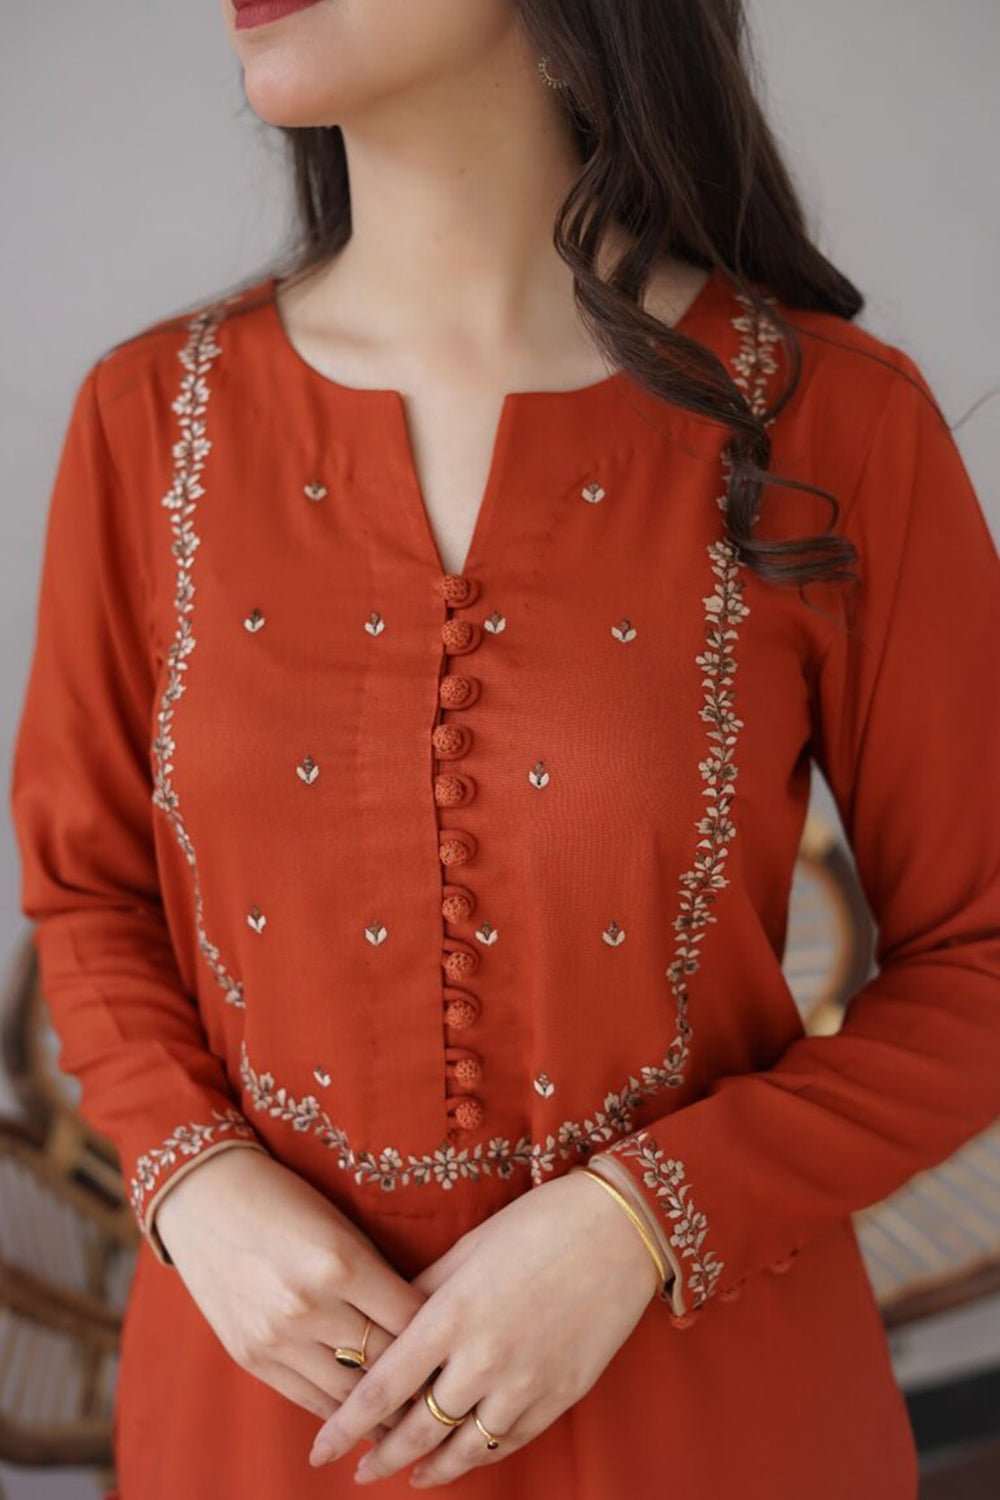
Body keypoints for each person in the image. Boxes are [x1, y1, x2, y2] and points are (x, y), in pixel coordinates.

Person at [9, 1, 1000, 1496]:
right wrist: (193, 1182)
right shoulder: (148, 423)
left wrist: (640, 1219)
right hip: (264, 1408)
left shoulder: (828, 421)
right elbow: (87, 896)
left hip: (711, 1409)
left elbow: (981, 960)